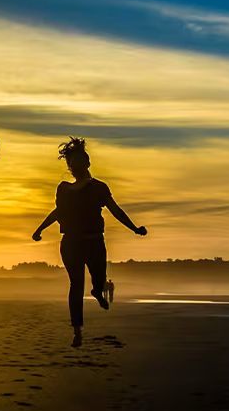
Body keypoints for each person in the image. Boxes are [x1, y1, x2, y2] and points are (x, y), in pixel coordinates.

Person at [32, 137, 145, 347]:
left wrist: (134, 228)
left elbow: (115, 210)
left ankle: (97, 291)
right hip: (71, 243)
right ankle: (77, 332)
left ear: (87, 164)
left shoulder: (99, 188)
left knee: (99, 279)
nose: (74, 168)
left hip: (95, 243)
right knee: (76, 284)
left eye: (78, 164)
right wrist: (40, 229)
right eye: (71, 165)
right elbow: (58, 212)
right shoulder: (64, 189)